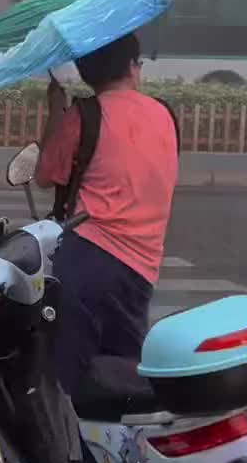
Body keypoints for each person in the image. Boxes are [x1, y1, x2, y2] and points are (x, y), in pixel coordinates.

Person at [34, 30, 178, 396]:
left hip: (86, 257)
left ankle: (72, 450)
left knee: (69, 376)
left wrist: (55, 113)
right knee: (127, 376)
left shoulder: (84, 115)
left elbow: (44, 176)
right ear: (132, 66)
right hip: (141, 265)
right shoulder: (165, 115)